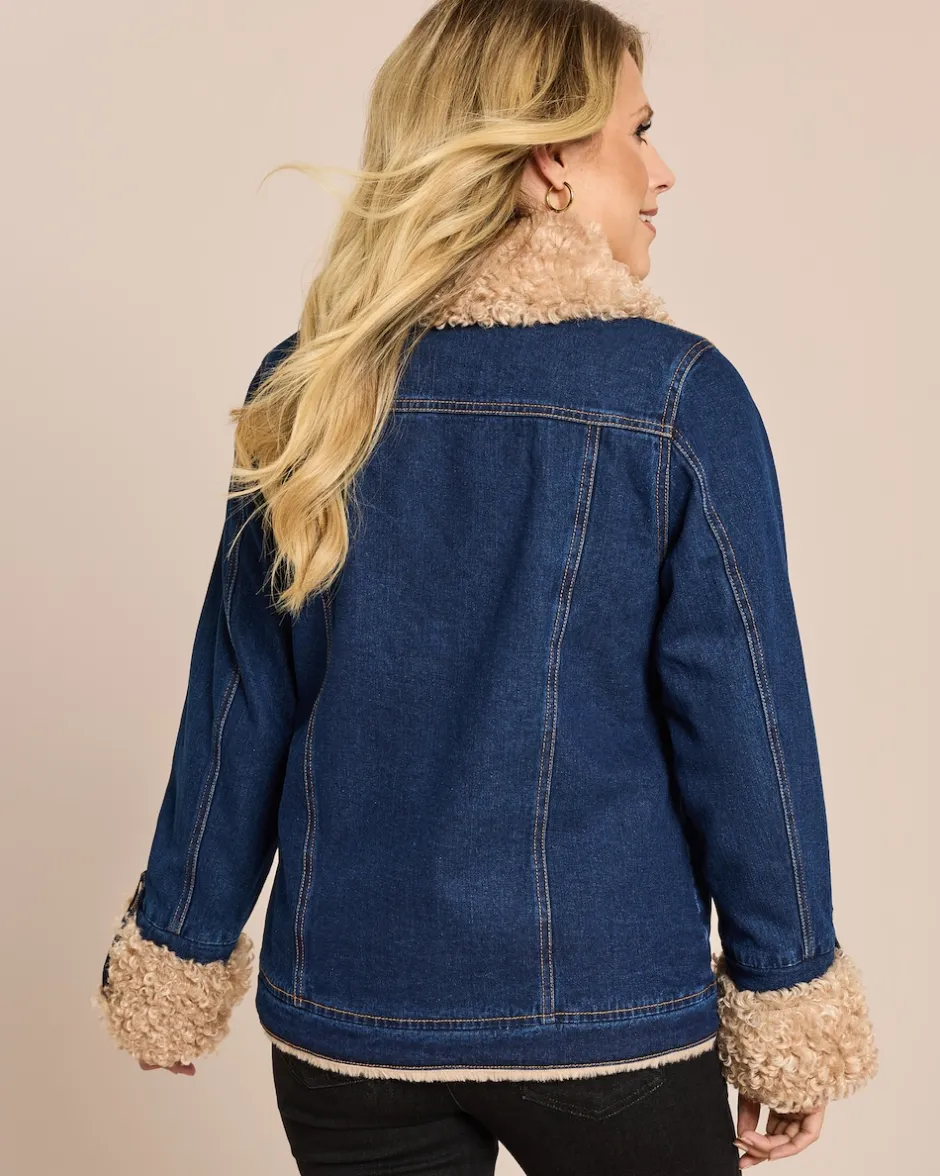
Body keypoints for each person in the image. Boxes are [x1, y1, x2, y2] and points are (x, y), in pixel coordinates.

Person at [92, 1, 879, 1172]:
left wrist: (182, 945)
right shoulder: (674, 397)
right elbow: (746, 733)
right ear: (551, 160)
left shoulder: (309, 385)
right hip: (602, 1019)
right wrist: (786, 1002)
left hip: (348, 1022)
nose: (662, 170)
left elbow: (241, 701)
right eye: (638, 131)